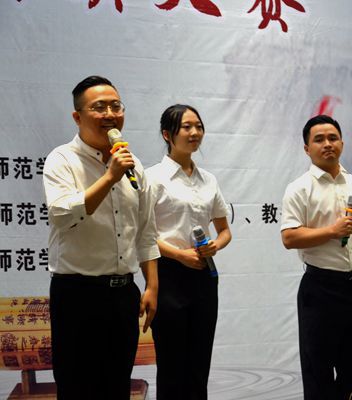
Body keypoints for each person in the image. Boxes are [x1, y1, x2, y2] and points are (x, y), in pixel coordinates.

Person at [42, 75, 159, 400]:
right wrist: (110, 177)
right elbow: (62, 216)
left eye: (116, 106)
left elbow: (146, 231)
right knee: (77, 387)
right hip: (77, 295)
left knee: (117, 387)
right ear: (77, 116)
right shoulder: (62, 159)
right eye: (99, 107)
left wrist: (151, 286)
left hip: (123, 296)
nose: (110, 114)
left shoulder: (134, 166)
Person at [280, 114, 352, 400]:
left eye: (333, 138)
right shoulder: (299, 188)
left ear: (342, 143)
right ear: (306, 148)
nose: (327, 144)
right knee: (318, 371)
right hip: (320, 289)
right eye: (319, 139)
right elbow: (289, 237)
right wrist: (332, 231)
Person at [145, 104, 231, 400]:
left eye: (199, 126)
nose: (195, 132)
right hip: (167, 276)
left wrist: (215, 245)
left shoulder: (209, 179)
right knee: (172, 364)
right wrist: (180, 255)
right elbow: (143, 235)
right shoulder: (152, 177)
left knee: (199, 362)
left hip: (204, 276)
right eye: (186, 127)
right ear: (167, 134)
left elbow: (224, 230)